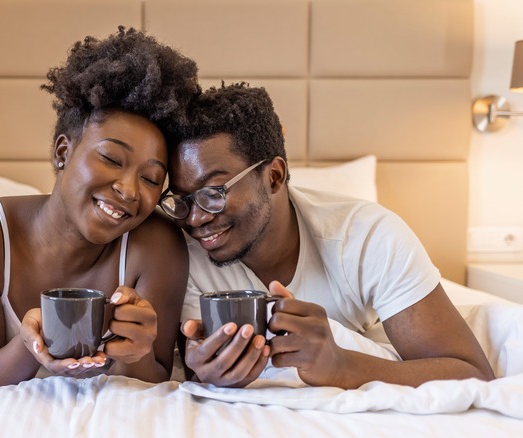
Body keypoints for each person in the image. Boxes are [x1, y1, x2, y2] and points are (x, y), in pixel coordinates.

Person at [160, 82, 495, 389]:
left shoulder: (365, 236)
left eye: (215, 192)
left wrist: (341, 365)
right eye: (182, 199)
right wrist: (205, 373)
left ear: (274, 176)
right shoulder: (181, 253)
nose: (196, 217)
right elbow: (195, 364)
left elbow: (470, 372)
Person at [0, 27, 199, 389]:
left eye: (152, 179)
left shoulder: (156, 246)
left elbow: (154, 375)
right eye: (111, 158)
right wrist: (31, 347)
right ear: (63, 152)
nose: (128, 190)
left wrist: (135, 352)